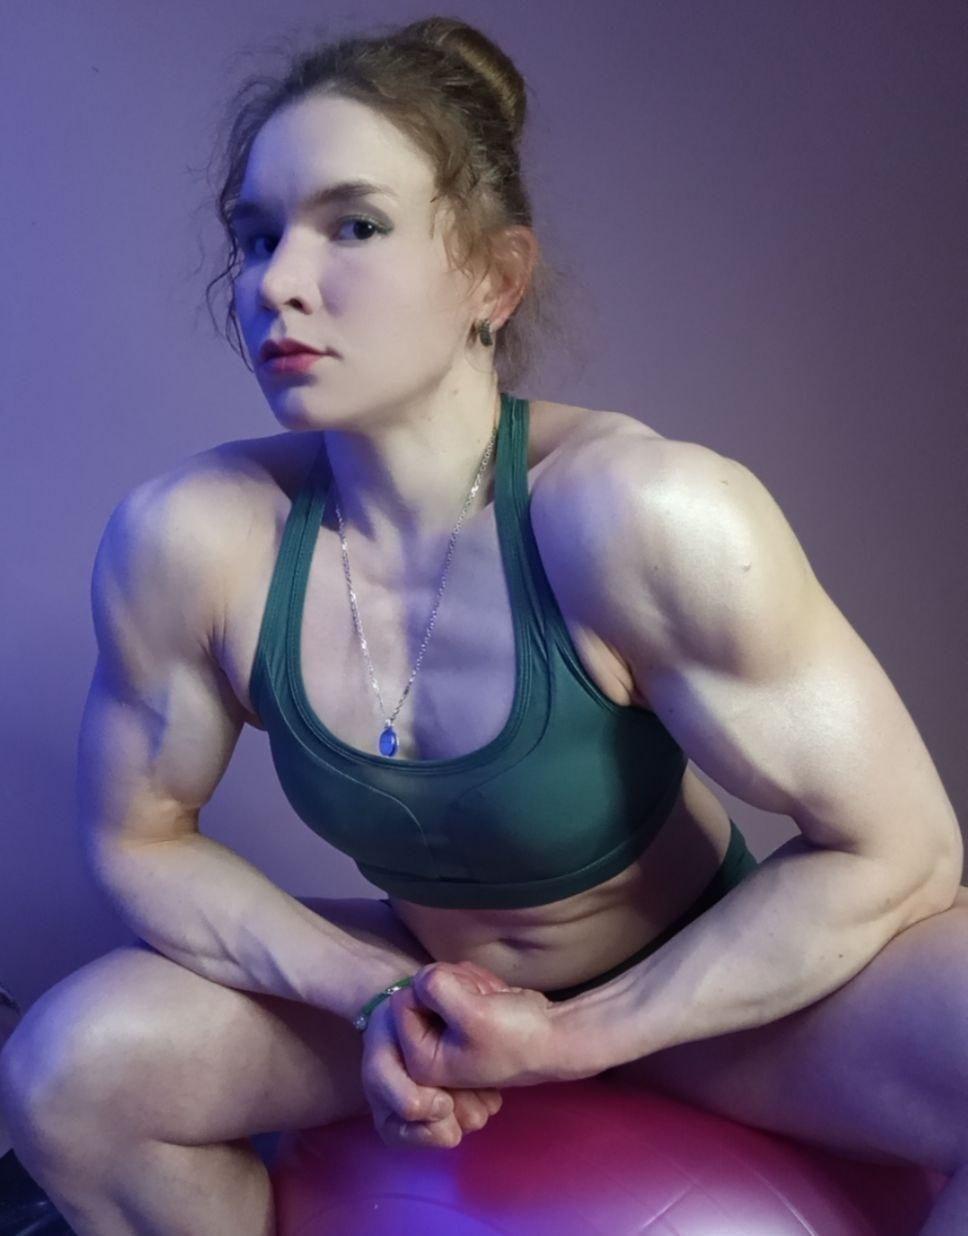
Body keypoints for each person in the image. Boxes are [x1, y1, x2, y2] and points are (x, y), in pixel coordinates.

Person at [2, 17, 965, 1236]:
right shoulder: (194, 542)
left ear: (492, 280)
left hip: (711, 999)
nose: (275, 282)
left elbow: (903, 849)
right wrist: (377, 995)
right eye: (256, 235)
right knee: (70, 1074)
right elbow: (140, 839)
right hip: (439, 1001)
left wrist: (573, 1038)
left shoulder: (634, 512)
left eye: (353, 226)